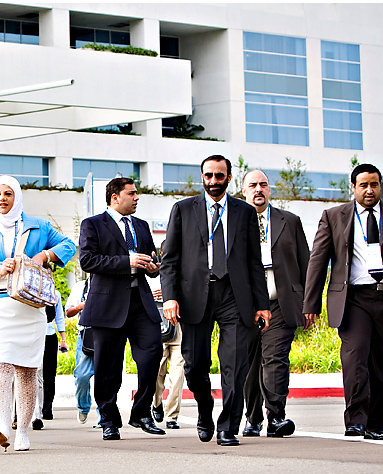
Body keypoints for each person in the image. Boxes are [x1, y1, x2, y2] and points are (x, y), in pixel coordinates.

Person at [303, 163, 383, 440]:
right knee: (355, 360)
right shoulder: (334, 216)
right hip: (353, 300)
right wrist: (310, 304)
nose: (369, 190)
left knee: (382, 364)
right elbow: (318, 260)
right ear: (353, 187)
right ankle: (355, 421)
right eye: (363, 185)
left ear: (380, 186)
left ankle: (376, 423)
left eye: (374, 184)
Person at [161, 155, 270, 447]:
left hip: (235, 296)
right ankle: (206, 410)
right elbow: (169, 260)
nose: (213, 181)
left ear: (229, 177)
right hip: (195, 296)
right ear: (202, 177)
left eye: (219, 176)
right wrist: (170, 297)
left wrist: (262, 303)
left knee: (235, 365)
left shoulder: (245, 213)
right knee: (195, 365)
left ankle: (227, 427)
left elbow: (253, 262)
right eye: (208, 175)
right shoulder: (183, 210)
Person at [0, 175, 76, 452]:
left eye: (8, 194)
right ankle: (2, 426)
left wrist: (43, 257)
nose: (2, 199)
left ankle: (22, 432)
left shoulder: (39, 226)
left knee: (27, 373)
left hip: (30, 308)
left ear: (17, 197)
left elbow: (69, 246)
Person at [79, 177, 165, 441]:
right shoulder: (92, 224)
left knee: (152, 356)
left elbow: (152, 259)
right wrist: (126, 261)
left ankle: (141, 413)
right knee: (107, 369)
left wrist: (153, 267)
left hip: (140, 303)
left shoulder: (141, 226)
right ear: (115, 197)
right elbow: (87, 260)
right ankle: (108, 419)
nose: (137, 197)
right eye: (132, 193)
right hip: (107, 306)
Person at [240, 170, 310, 438]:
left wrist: (307, 302)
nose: (259, 189)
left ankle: (276, 416)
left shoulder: (289, 221)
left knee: (275, 358)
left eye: (263, 185)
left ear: (270, 190)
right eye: (253, 185)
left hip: (281, 301)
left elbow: (307, 263)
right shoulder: (233, 221)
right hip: (245, 303)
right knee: (249, 364)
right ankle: (253, 418)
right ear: (243, 190)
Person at [149, 280, 184, 430]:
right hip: (157, 326)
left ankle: (172, 416)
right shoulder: (147, 270)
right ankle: (156, 403)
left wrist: (172, 296)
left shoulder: (181, 267)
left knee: (177, 376)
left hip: (179, 327)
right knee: (156, 373)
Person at [64, 278, 95, 424]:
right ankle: (83, 407)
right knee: (82, 376)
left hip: (108, 333)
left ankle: (105, 417)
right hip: (85, 335)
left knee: (106, 378)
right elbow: (68, 312)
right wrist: (82, 306)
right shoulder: (80, 286)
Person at [41, 288, 68, 420]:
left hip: (50, 336)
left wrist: (63, 340)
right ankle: (34, 408)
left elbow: (59, 318)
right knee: (33, 374)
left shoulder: (55, 293)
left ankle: (47, 408)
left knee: (49, 375)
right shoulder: (30, 291)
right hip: (33, 335)